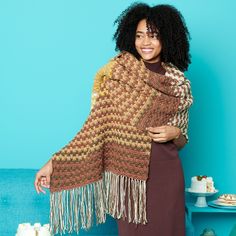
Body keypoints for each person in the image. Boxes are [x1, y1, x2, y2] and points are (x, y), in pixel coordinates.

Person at [35, 2, 193, 236]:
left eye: (153, 36)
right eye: (139, 36)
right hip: (128, 179)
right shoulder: (117, 75)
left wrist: (176, 133)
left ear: (167, 38)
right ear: (131, 36)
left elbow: (181, 140)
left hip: (167, 174)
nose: (145, 43)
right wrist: (54, 163)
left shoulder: (178, 83)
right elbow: (95, 127)